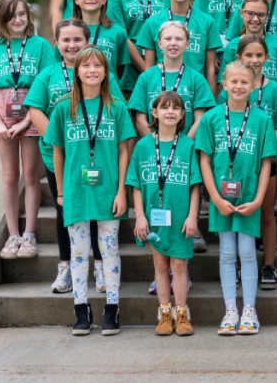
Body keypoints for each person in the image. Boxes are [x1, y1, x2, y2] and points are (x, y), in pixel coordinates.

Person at [26, 19, 126, 294]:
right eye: (65, 40)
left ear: (87, 41)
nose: (72, 45)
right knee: (65, 211)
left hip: (96, 158)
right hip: (62, 157)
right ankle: (66, 265)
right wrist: (60, 140)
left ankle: (99, 265)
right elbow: (35, 109)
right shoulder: (47, 74)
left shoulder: (101, 73)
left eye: (77, 40)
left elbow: (117, 107)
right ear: (56, 44)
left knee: (96, 211)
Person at [45, 47, 135, 336]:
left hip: (109, 190)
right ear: (77, 71)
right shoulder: (63, 107)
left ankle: (112, 309)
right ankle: (81, 310)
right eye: (87, 66)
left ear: (106, 72)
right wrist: (60, 192)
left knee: (109, 249)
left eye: (99, 65)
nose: (93, 70)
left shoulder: (116, 107)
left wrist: (122, 191)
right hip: (75, 191)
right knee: (79, 252)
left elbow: (124, 151)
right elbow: (57, 152)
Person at [196, 61, 277, 336]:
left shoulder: (261, 119)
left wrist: (258, 200)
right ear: (223, 84)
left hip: (249, 198)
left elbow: (267, 163)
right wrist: (215, 198)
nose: (239, 86)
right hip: (222, 199)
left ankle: (250, 310)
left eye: (245, 82)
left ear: (254, 86)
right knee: (226, 253)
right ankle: (230, 309)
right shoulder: (210, 118)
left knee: (246, 252)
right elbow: (204, 161)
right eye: (233, 81)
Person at [0, 0, 56, 261]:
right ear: (3, 18)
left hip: (32, 110)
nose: (18, 19)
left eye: (22, 13)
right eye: (11, 15)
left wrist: (27, 120)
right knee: (10, 175)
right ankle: (13, 234)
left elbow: (45, 83)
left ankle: (30, 234)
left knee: (31, 175)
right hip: (2, 113)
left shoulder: (41, 46)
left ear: (28, 15)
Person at [216, 35, 277, 290]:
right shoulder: (232, 87)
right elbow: (223, 125)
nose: (254, 60)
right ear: (239, 58)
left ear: (267, 58)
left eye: (259, 55)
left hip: (265, 159)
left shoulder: (276, 89)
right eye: (249, 55)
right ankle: (235, 267)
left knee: (266, 214)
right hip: (238, 163)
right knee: (235, 214)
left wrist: (261, 148)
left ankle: (269, 265)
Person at [127, 91, 201, 336]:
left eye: (176, 108)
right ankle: (164, 313)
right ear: (154, 113)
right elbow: (136, 184)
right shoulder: (143, 145)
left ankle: (182, 313)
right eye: (164, 107)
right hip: (152, 217)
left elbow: (194, 186)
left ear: (182, 115)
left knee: (179, 265)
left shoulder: (189, 146)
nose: (170, 111)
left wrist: (192, 216)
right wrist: (139, 215)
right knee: (159, 265)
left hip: (180, 218)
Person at [137, 0, 222, 91]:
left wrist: (210, 102)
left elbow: (210, 69)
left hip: (196, 91)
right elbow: (149, 68)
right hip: (162, 92)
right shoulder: (152, 23)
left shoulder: (207, 22)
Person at [129, 21, 216, 140]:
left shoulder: (197, 79)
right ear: (159, 44)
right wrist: (155, 146)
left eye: (179, 39)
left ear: (187, 44)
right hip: (154, 152)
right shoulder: (146, 77)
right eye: (168, 39)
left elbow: (200, 120)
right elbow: (140, 120)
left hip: (186, 152)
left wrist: (183, 147)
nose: (173, 43)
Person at [220, 0, 277, 97]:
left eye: (261, 14)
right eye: (250, 13)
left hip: (271, 102)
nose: (255, 19)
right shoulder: (233, 46)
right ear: (241, 13)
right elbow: (224, 81)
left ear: (268, 15)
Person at [71, 0, 130, 81]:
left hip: (108, 92)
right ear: (76, 0)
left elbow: (118, 69)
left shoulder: (118, 32)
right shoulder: (67, 31)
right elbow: (60, 64)